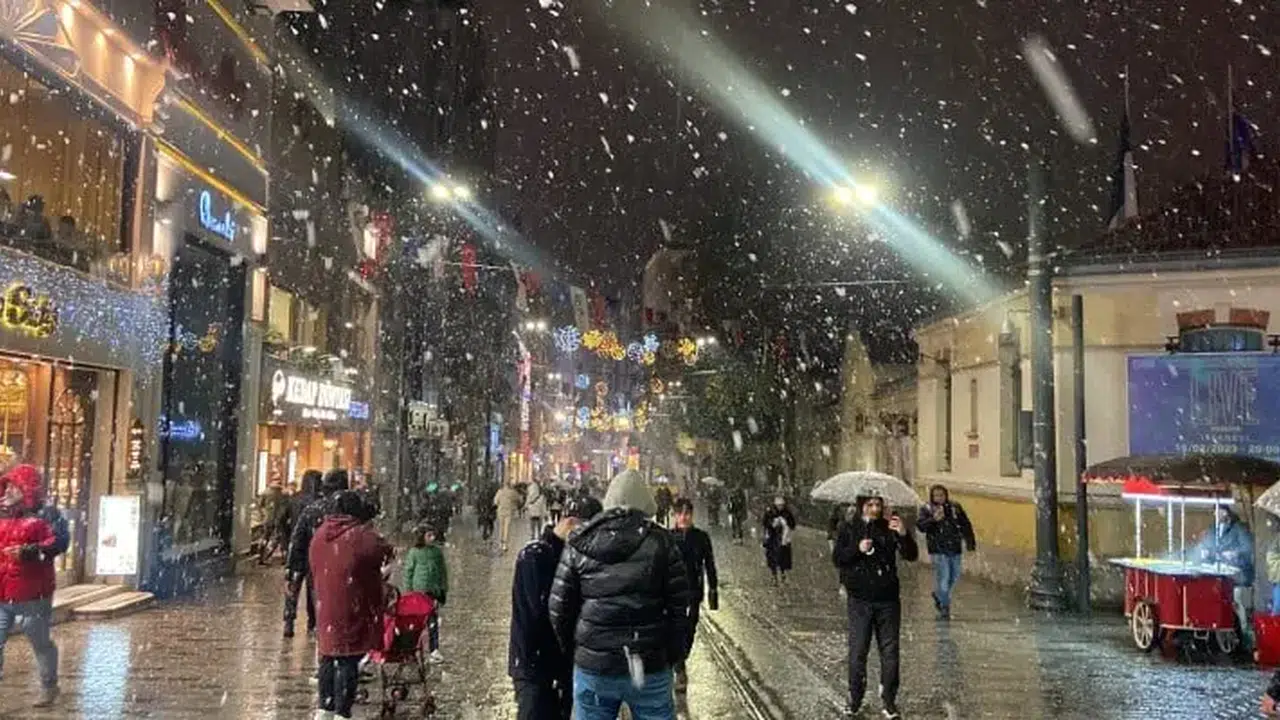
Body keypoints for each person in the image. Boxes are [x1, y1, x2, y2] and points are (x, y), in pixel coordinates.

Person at [549, 469, 690, 720]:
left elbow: (559, 608)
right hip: (649, 665)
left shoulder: (580, 541)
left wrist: (579, 649)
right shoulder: (662, 542)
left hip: (595, 667)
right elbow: (681, 607)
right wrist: (673, 654)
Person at [509, 503, 598, 720]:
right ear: (571, 524)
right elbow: (538, 614)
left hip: (561, 664)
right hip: (535, 665)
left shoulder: (570, 556)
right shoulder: (536, 556)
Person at [833, 495, 918, 719]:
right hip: (860, 600)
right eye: (870, 505)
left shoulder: (889, 526)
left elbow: (911, 555)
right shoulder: (849, 527)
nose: (874, 509)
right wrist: (857, 548)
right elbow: (838, 558)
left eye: (878, 505)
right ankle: (855, 698)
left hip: (887, 599)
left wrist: (902, 534)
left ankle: (889, 700)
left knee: (890, 652)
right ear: (862, 506)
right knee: (858, 651)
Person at [310, 490, 391, 720]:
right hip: (351, 605)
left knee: (328, 655)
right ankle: (342, 713)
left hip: (325, 605)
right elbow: (383, 550)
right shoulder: (359, 535)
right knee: (347, 658)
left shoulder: (320, 533)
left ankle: (324, 709)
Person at [0, 464, 61, 707]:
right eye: (7, 485)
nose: (8, 490)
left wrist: (29, 552)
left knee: (40, 641)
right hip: (2, 592)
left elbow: (57, 544)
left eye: (14, 485)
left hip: (33, 593)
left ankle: (49, 685)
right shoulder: (2, 512)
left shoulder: (45, 515)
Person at [284, 469, 347, 638]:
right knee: (316, 590)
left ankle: (289, 620)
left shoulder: (301, 502)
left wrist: (289, 554)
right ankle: (316, 623)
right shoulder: (332, 507)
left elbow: (292, 530)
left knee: (294, 587)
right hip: (320, 556)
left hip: (301, 551)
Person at [671, 498, 718, 693]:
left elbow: (709, 564)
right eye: (680, 513)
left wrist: (713, 589)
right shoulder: (667, 537)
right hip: (672, 592)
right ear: (675, 515)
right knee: (675, 628)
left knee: (690, 628)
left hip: (693, 590)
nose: (684, 517)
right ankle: (679, 666)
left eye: (687, 513)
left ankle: (682, 657)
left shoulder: (701, 537)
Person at [1194, 505, 1255, 646]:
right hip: (1218, 574)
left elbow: (1248, 548)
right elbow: (1205, 546)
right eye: (1215, 511)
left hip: (1238, 574)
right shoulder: (1212, 530)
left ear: (1226, 512)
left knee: (1239, 603)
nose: (1216, 514)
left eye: (1219, 511)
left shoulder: (1239, 528)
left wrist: (1235, 553)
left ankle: (1245, 636)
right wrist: (1203, 551)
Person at [916, 485, 976, 619]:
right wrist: (933, 520)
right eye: (936, 495)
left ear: (946, 495)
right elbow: (920, 526)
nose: (939, 498)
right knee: (944, 578)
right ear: (932, 496)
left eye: (941, 495)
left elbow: (965, 524)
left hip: (954, 547)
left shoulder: (955, 508)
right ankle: (945, 607)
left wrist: (970, 542)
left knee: (954, 576)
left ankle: (939, 595)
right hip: (938, 549)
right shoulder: (927, 509)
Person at [403, 524, 448, 664]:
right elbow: (408, 573)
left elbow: (442, 572)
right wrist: (408, 592)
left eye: (432, 535)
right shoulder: (414, 552)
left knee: (432, 621)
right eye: (429, 535)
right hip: (418, 593)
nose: (432, 538)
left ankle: (434, 649)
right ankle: (411, 650)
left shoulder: (437, 552)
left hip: (432, 592)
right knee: (416, 623)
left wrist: (443, 589)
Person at [762, 495, 797, 584]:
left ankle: (783, 574)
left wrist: (785, 523)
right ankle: (774, 576)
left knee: (783, 558)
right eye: (778, 505)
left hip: (784, 539)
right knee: (772, 558)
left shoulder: (787, 512)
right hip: (772, 538)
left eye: (781, 505)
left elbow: (792, 524)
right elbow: (765, 522)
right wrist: (773, 523)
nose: (780, 507)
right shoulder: (770, 511)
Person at [494, 482, 522, 553]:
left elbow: (495, 502)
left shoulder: (500, 492)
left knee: (501, 527)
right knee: (507, 528)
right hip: (509, 511)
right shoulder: (513, 492)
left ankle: (500, 542)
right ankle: (505, 544)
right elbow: (519, 500)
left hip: (500, 511)